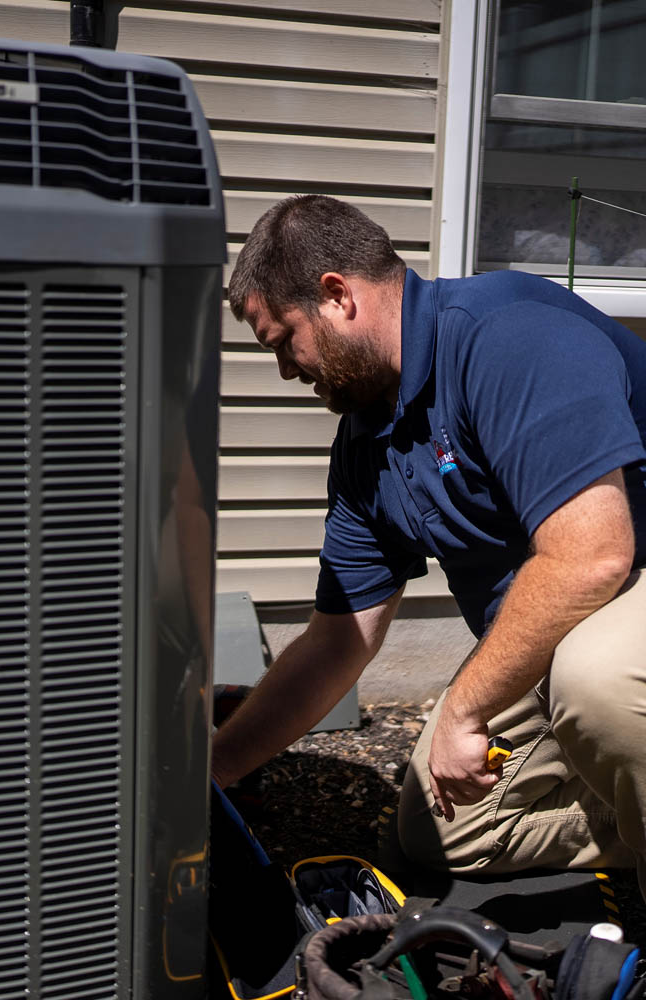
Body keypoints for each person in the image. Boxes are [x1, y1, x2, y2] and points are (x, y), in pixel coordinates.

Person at [211, 194, 646, 897]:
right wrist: (217, 765)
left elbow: (593, 555)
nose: (287, 371)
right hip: (562, 628)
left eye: (282, 341)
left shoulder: (506, 335)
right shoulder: (368, 442)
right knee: (441, 833)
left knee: (597, 678)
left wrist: (468, 710)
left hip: (621, 590)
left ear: (335, 296)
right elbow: (336, 641)